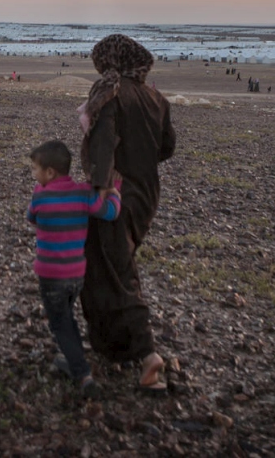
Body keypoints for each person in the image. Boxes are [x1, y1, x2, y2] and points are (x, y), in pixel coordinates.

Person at [78, 34, 176, 395]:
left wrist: (103, 183)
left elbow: (104, 137)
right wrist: (141, 159)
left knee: (117, 269)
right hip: (147, 194)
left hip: (115, 194)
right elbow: (168, 146)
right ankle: (112, 347)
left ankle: (148, 354)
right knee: (110, 261)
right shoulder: (156, 97)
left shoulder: (111, 90)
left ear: (109, 60)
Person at [26, 140, 121, 399]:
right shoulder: (82, 194)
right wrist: (114, 189)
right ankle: (72, 357)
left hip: (50, 275)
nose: (33, 174)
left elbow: (31, 217)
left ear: (49, 173)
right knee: (67, 316)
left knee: (60, 323)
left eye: (35, 169)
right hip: (76, 275)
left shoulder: (40, 195)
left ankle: (82, 373)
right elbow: (111, 212)